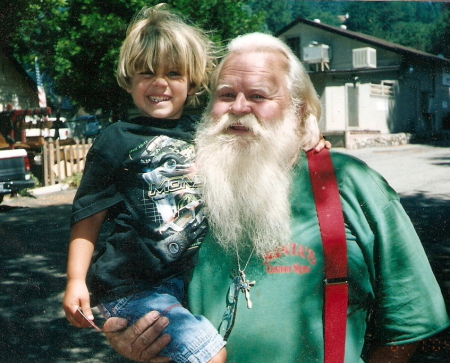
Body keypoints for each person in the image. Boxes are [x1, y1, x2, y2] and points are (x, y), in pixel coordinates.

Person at [103, 32, 450, 363]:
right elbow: (130, 286)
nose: (239, 107)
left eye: (258, 96)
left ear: (298, 111)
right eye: (225, 95)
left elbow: (411, 317)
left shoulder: (348, 183)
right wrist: (128, 338)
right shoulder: (179, 185)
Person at [62, 4, 227, 363]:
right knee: (209, 355)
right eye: (147, 72)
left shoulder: (205, 132)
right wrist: (76, 280)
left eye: (173, 73)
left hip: (187, 282)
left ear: (193, 81)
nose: (159, 83)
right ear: (129, 79)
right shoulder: (116, 140)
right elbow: (88, 216)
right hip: (132, 288)